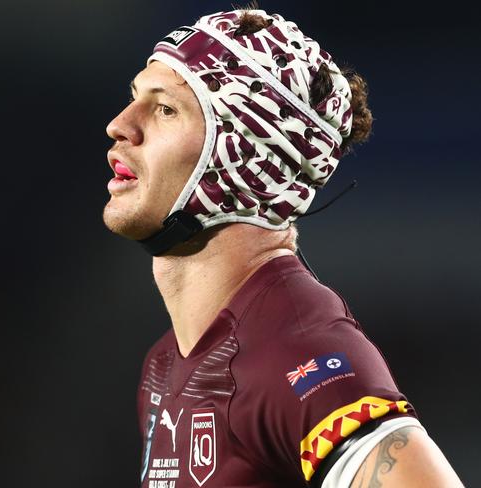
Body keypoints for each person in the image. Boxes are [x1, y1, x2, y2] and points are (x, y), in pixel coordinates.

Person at [102, 6, 463, 488]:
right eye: (134, 98)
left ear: (241, 159)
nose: (121, 125)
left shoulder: (297, 349)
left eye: (166, 108)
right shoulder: (165, 363)